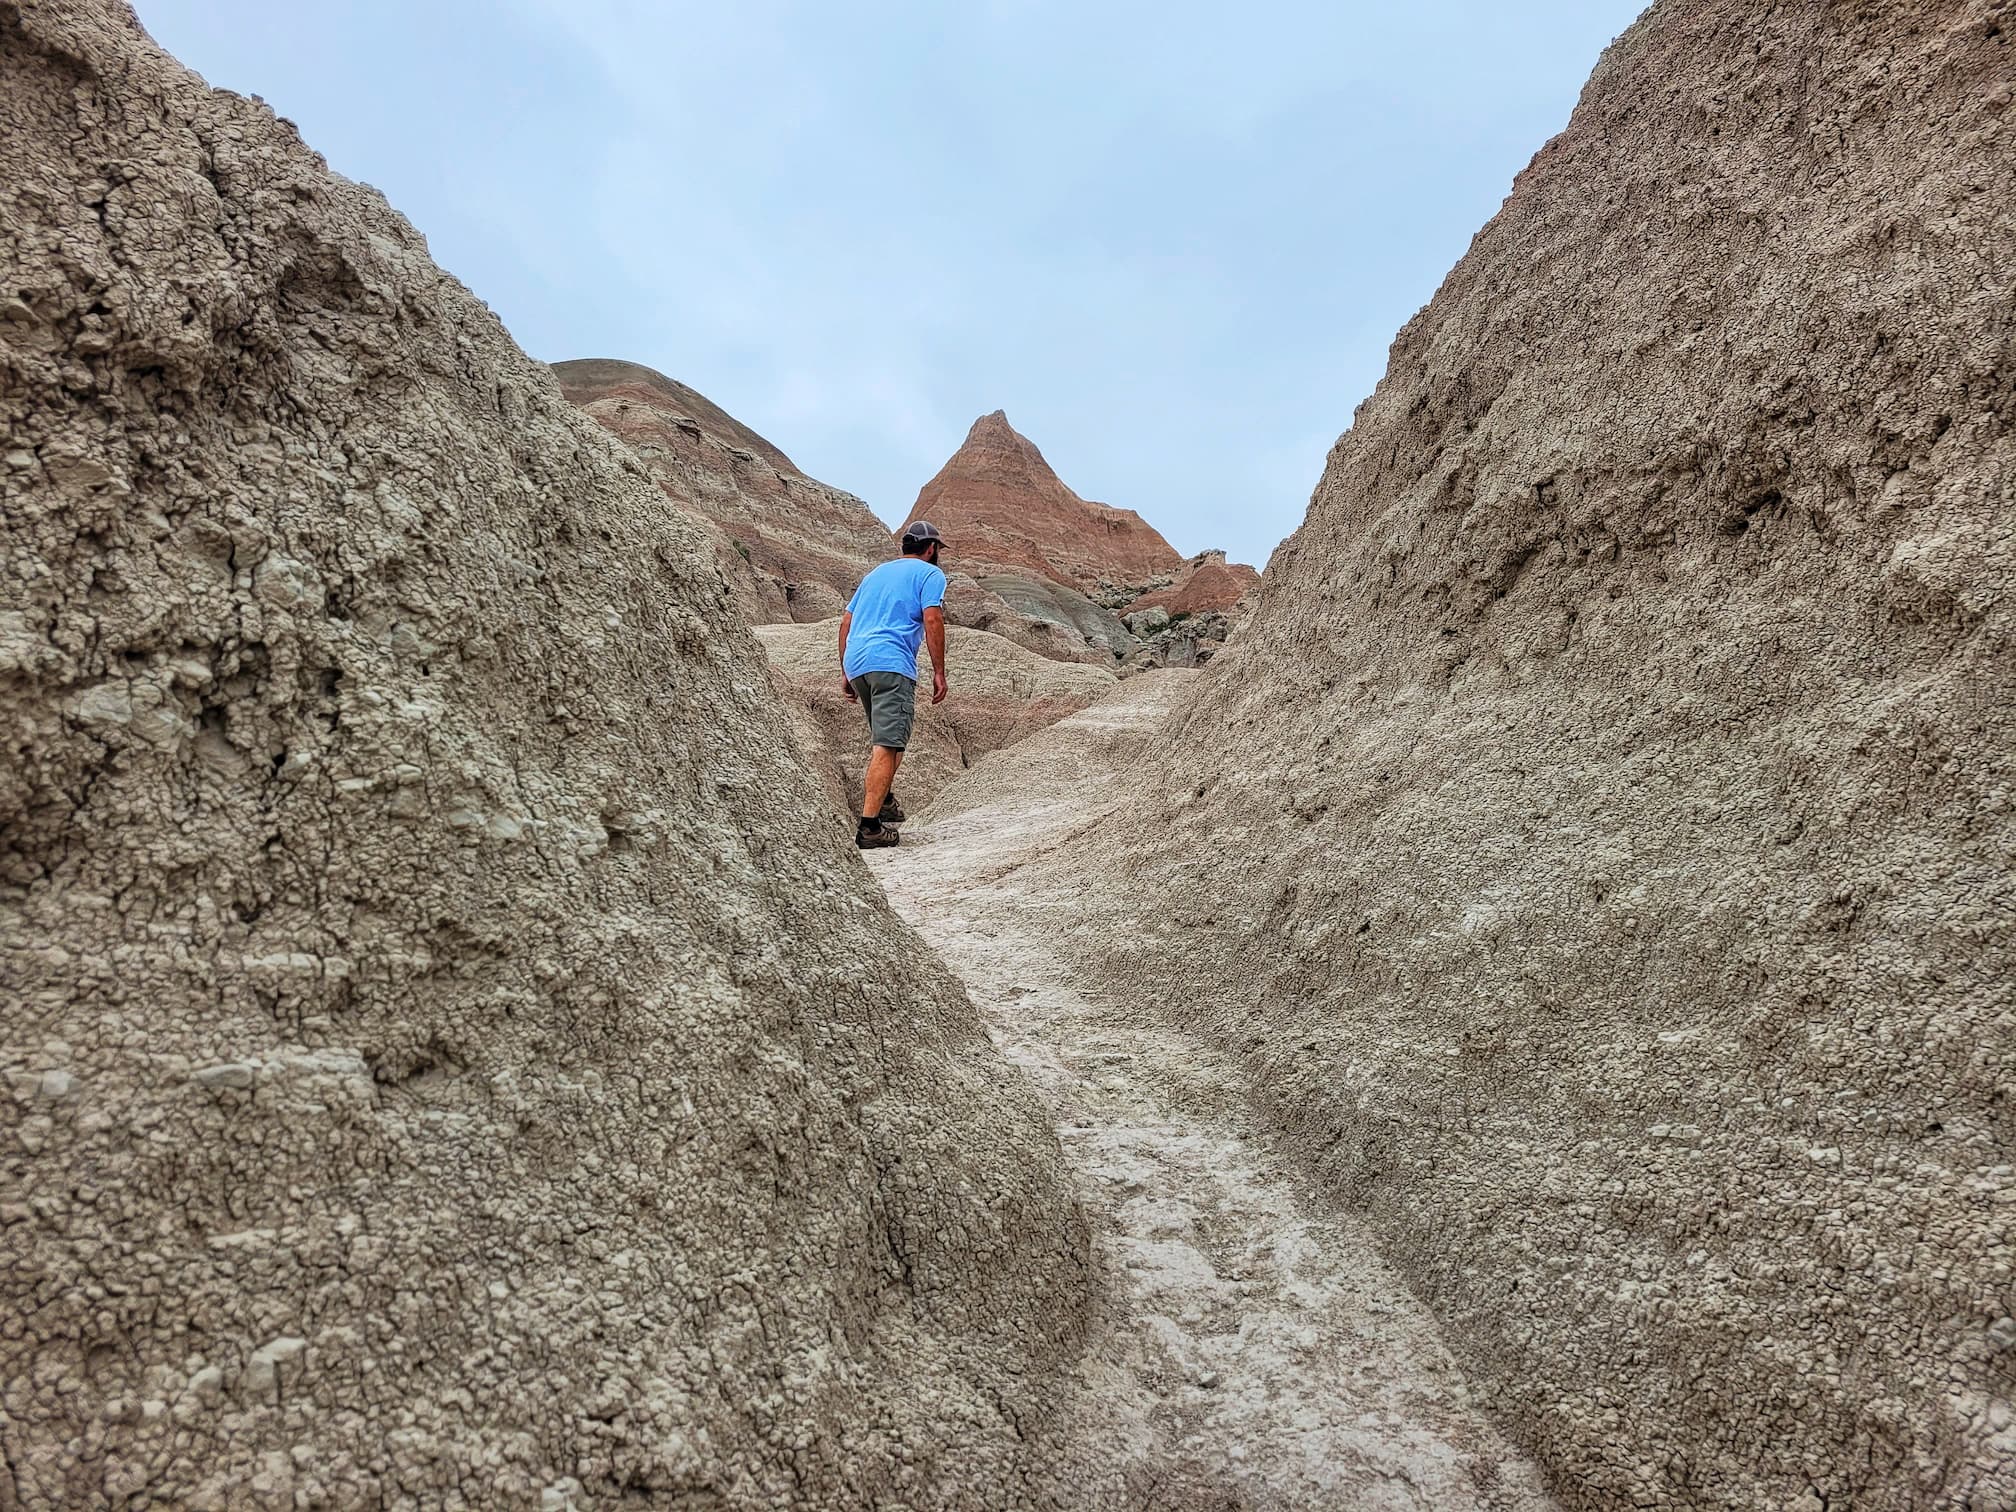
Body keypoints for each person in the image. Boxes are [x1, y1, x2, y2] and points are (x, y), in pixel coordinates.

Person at [838, 521, 948, 849]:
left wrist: (846, 670)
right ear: (931, 549)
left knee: (891, 739)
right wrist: (939, 671)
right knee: (887, 744)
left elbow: (847, 622)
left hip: (859, 662)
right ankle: (870, 827)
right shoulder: (931, 575)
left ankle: (884, 799)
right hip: (891, 664)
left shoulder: (875, 575)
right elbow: (932, 618)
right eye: (937, 550)